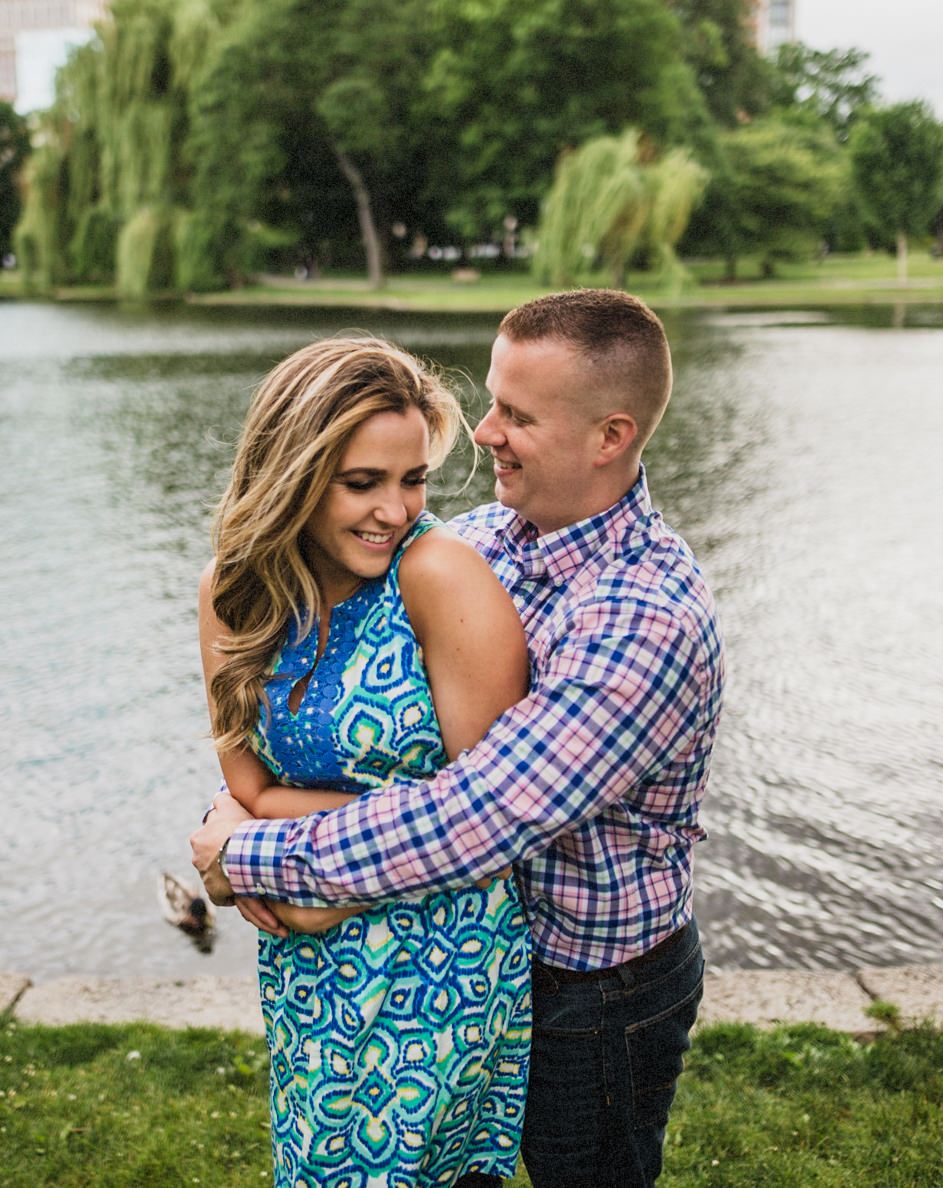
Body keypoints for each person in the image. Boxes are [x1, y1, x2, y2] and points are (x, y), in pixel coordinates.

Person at [194, 289, 725, 1187]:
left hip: (594, 989)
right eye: (490, 401)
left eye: (516, 414)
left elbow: (472, 819)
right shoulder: (477, 541)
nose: (482, 433)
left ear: (610, 436)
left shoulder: (646, 619)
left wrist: (248, 856)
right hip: (441, 947)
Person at [197, 337, 533, 1188]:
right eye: (362, 483)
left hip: (441, 961)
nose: (395, 509)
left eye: (412, 479)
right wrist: (247, 830)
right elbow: (247, 783)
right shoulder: (233, 589)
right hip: (309, 956)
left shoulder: (439, 576)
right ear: (293, 475)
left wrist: (246, 847)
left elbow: (486, 823)